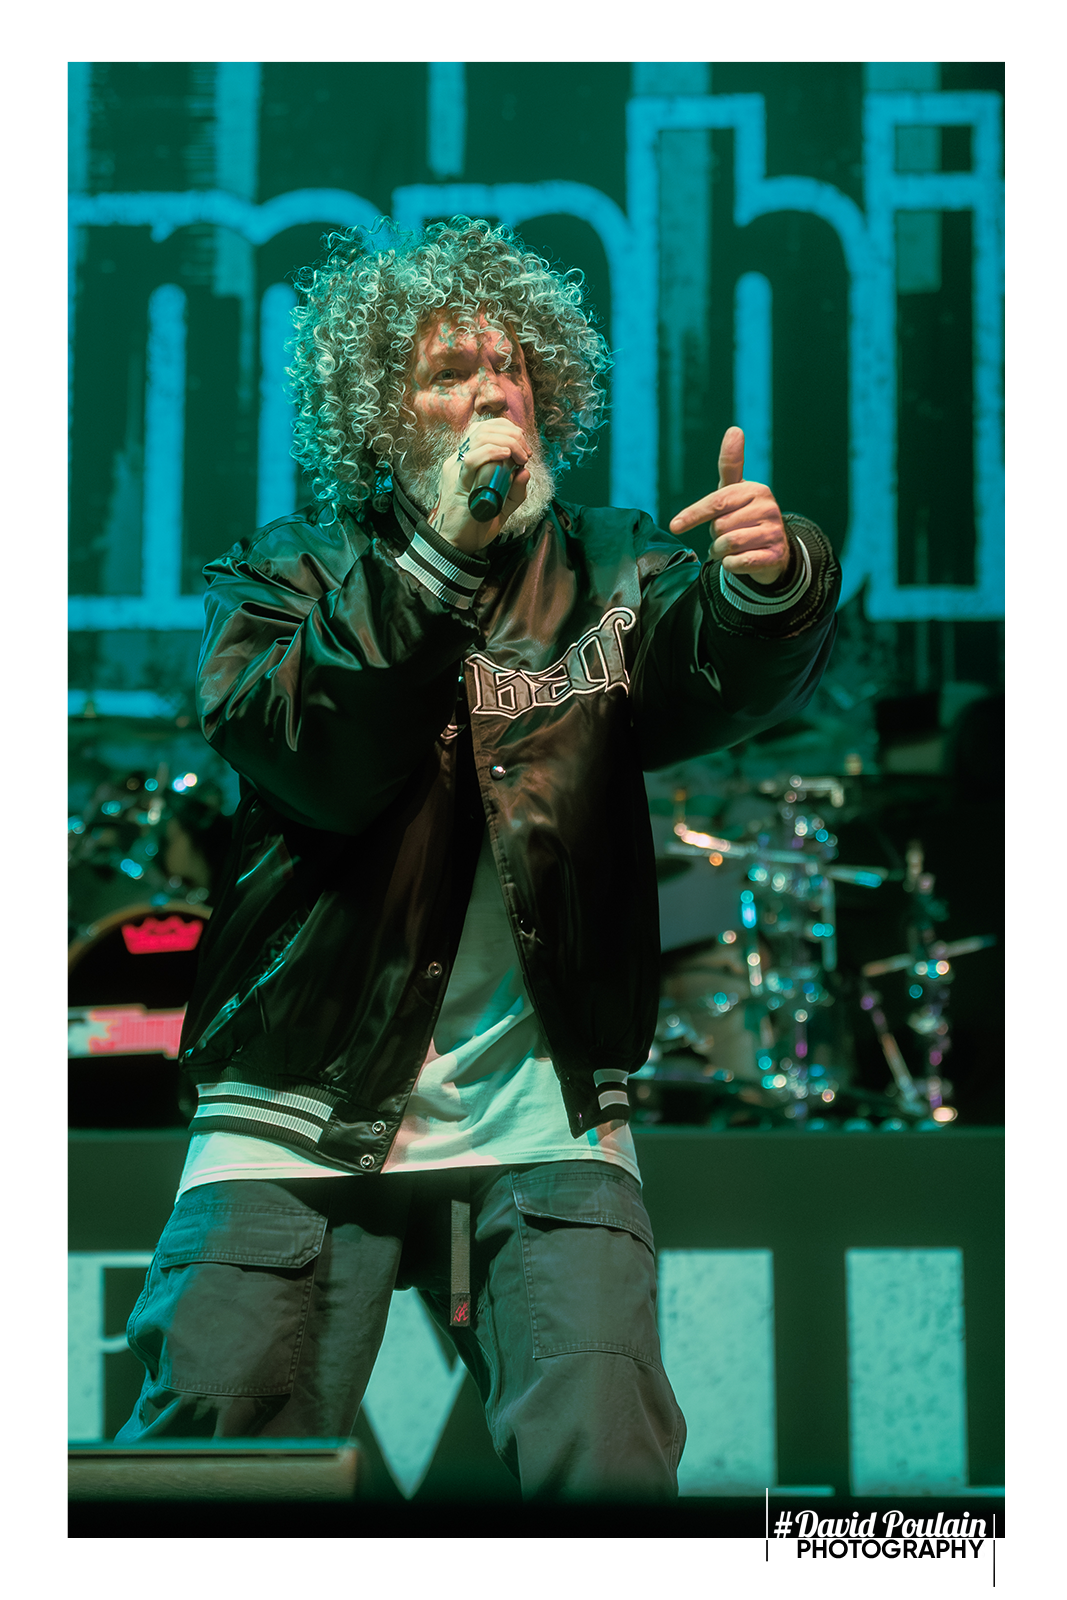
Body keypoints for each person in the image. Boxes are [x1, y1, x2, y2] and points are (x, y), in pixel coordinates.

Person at [117, 217, 840, 1501]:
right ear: (379, 419)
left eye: (511, 365)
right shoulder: (282, 576)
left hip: (543, 1112)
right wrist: (439, 555)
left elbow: (710, 667)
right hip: (294, 1109)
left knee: (605, 1467)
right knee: (212, 1480)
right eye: (451, 371)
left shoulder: (610, 566)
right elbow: (321, 757)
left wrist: (765, 585)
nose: (495, 390)